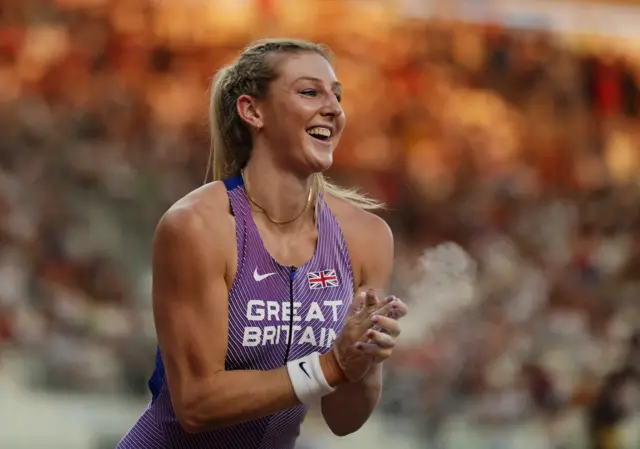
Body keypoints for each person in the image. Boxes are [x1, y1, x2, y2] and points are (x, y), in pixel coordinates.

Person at [118, 38, 408, 449]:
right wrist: (329, 365)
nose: (334, 109)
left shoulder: (367, 237)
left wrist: (360, 364)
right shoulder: (198, 227)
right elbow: (196, 404)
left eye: (337, 96)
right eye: (310, 92)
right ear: (253, 111)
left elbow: (344, 421)